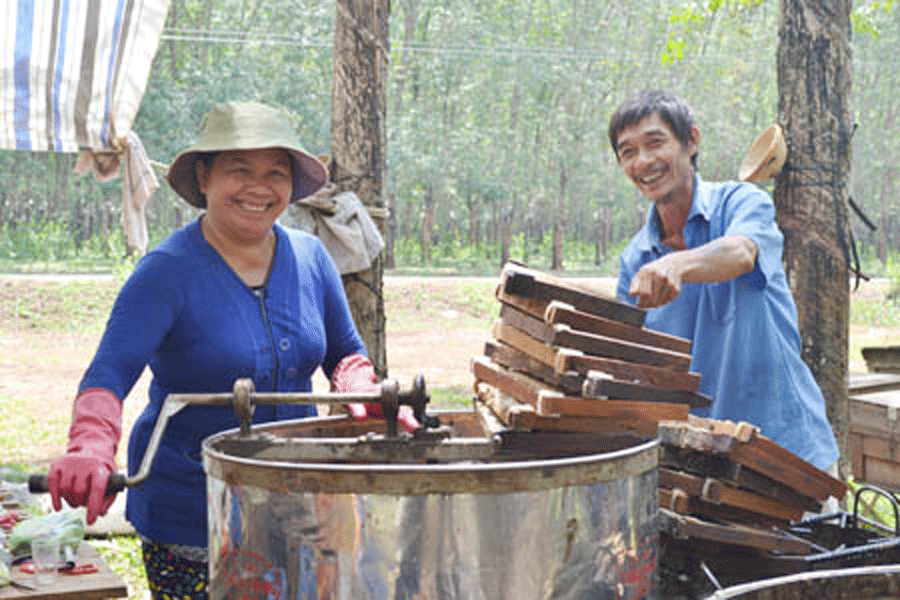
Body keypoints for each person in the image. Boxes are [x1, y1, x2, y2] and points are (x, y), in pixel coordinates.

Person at [46, 100, 417, 599]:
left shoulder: (311, 258)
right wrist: (90, 445)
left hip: (299, 501)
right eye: (239, 170)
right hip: (191, 515)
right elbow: (108, 374)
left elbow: (346, 352)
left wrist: (359, 385)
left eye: (275, 173)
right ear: (203, 178)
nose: (259, 188)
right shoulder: (165, 272)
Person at [608, 89, 839, 472]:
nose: (643, 161)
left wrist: (678, 265)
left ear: (692, 140)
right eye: (627, 152)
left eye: (655, 143)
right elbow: (635, 369)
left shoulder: (743, 203)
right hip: (705, 463)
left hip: (788, 450)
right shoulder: (635, 260)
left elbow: (742, 253)